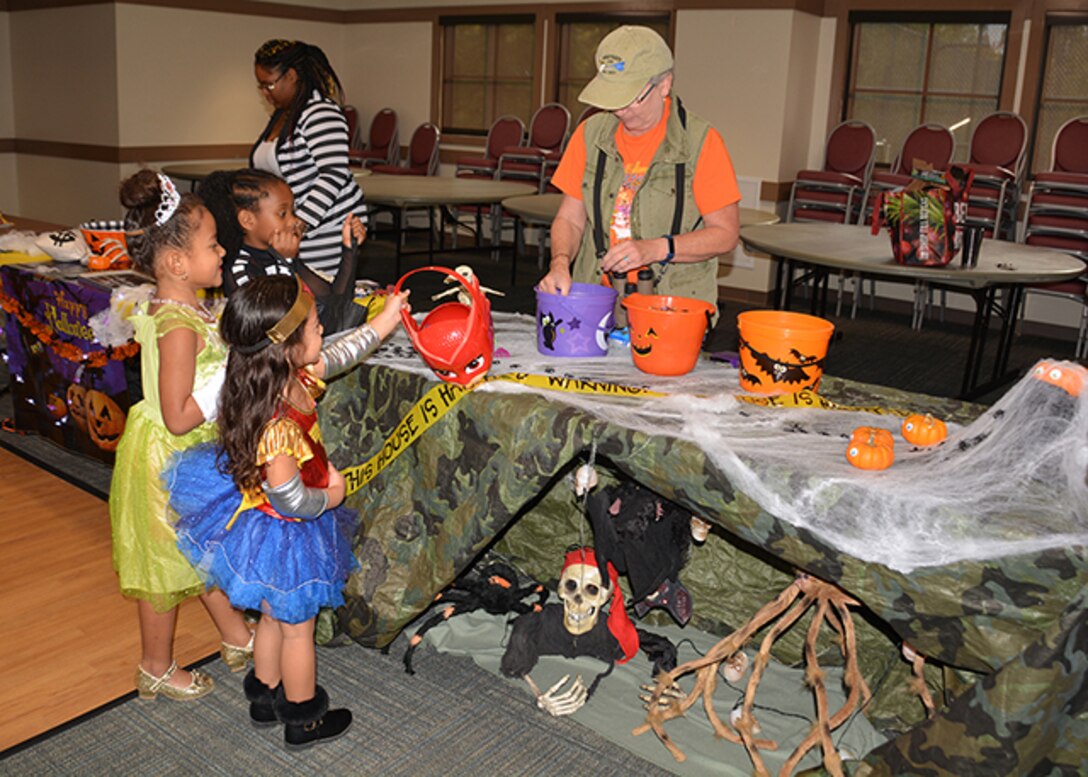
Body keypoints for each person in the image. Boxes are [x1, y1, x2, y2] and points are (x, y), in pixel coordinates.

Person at [166, 275, 408, 750]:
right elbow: (289, 500)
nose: (324, 333)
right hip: (289, 531)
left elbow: (340, 353)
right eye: (317, 325)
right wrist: (333, 496)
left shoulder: (285, 375)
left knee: (273, 616)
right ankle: (303, 718)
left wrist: (384, 321)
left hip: (267, 528)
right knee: (298, 628)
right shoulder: (277, 424)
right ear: (288, 346)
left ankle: (265, 695)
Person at [109, 169, 254, 701]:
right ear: (175, 263)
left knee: (204, 551)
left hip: (191, 457)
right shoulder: (177, 326)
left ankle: (236, 635)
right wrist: (225, 382)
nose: (222, 252)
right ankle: (155, 666)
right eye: (213, 244)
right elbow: (176, 414)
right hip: (168, 459)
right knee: (165, 568)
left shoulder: (187, 307)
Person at [538, 26, 742, 329]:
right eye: (611, 98)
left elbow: (725, 234)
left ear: (664, 85)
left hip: (670, 306)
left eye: (632, 98)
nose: (620, 110)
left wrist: (655, 249)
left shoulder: (701, 143)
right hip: (596, 300)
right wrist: (559, 263)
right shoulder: (590, 135)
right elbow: (570, 218)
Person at [198, 168, 366, 333]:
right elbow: (284, 327)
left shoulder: (279, 255)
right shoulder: (240, 271)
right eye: (282, 213)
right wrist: (287, 264)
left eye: (293, 211)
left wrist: (349, 249)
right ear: (248, 220)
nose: (293, 221)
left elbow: (336, 309)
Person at [250, 39, 366, 277]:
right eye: (260, 86)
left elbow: (334, 173)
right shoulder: (284, 115)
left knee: (319, 299)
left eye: (269, 85)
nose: (264, 93)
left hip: (323, 229)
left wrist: (299, 224)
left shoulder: (320, 113)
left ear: (291, 76)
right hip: (291, 227)